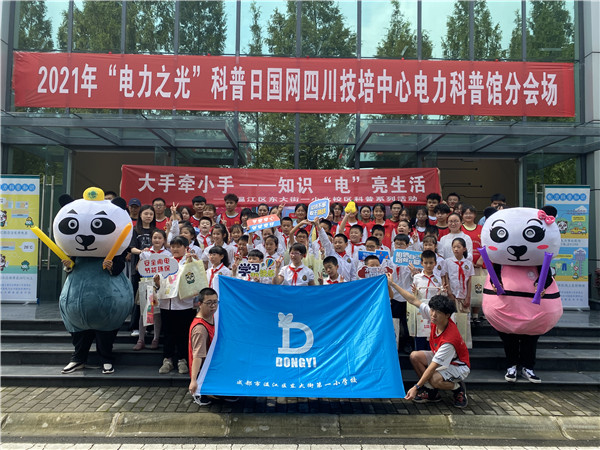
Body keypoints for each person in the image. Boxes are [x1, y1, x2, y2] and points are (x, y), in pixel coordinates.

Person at [387, 278, 469, 408]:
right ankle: (432, 392)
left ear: (447, 315)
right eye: (432, 310)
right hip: (440, 357)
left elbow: (432, 368)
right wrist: (392, 284)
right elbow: (413, 300)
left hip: (458, 364)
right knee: (415, 356)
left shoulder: (449, 340)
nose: (433, 315)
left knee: (435, 379)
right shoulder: (434, 317)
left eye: (438, 312)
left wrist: (416, 387)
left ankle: (457, 388)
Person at [155, 236, 197, 375]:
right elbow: (160, 284)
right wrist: (157, 283)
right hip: (166, 304)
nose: (175, 249)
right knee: (168, 333)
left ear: (186, 248)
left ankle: (182, 360)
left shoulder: (191, 262)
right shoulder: (165, 263)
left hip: (184, 305)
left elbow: (195, 282)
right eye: (173, 246)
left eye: (178, 246)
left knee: (183, 334)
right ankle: (167, 360)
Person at [134, 229, 170, 351]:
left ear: (164, 240)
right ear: (151, 239)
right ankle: (141, 339)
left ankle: (156, 338)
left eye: (160, 238)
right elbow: (138, 267)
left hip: (160, 285)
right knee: (144, 312)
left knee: (157, 313)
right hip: (146, 284)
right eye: (155, 237)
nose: (157, 240)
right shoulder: (145, 253)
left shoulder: (167, 254)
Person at [128, 205, 156, 337]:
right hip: (138, 269)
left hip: (153, 270)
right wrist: (142, 252)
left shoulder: (155, 231)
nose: (148, 216)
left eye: (151, 214)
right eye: (146, 214)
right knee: (138, 299)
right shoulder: (135, 230)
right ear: (140, 215)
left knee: (151, 299)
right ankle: (135, 327)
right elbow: (131, 248)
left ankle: (149, 326)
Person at [188, 287, 218, 406]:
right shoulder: (200, 328)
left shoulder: (213, 317)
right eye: (209, 303)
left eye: (215, 302)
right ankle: (200, 391)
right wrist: (194, 381)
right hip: (204, 372)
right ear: (199, 304)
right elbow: (197, 356)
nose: (213, 306)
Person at [445, 238, 474, 314]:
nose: (456, 249)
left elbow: (469, 281)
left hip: (463, 296)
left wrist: (468, 297)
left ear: (464, 249)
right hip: (452, 295)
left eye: (458, 247)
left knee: (463, 317)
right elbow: (446, 277)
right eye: (454, 247)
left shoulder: (468, 263)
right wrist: (449, 292)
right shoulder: (448, 262)